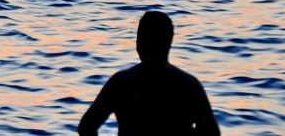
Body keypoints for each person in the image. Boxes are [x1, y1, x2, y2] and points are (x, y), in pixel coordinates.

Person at [78, 11, 219, 135]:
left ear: (139, 42)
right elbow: (211, 132)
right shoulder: (188, 84)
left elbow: (86, 127)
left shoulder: (121, 82)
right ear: (169, 42)